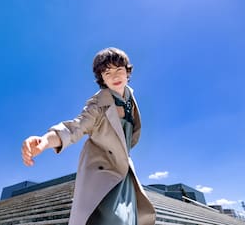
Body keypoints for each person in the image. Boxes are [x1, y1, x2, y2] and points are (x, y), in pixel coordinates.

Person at [21, 47, 156, 225]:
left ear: (127, 72)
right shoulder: (98, 104)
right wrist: (45, 140)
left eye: (119, 70)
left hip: (124, 173)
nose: (115, 77)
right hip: (104, 173)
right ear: (101, 78)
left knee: (130, 219)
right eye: (107, 73)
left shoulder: (130, 99)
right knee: (114, 219)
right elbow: (74, 128)